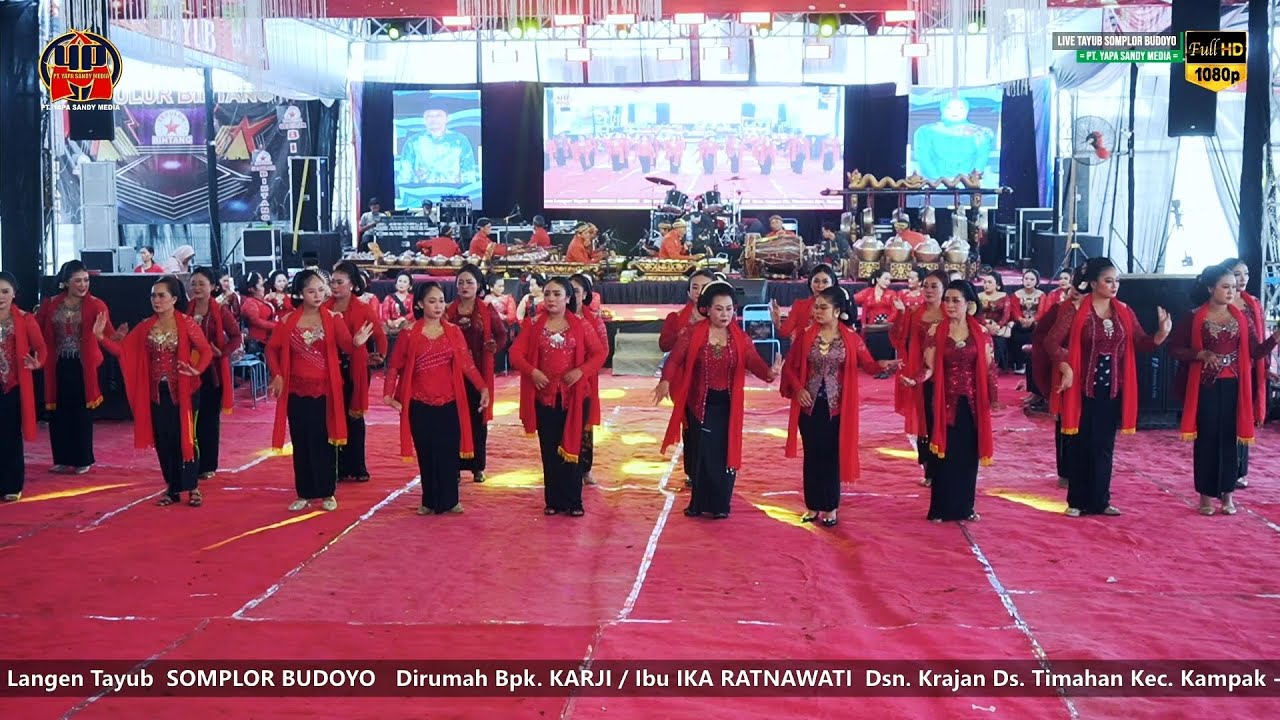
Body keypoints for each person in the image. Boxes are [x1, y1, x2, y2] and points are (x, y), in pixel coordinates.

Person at [1047, 257, 1171, 517]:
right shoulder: (1075, 309)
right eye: (1108, 280)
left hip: (1112, 388)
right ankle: (1077, 501)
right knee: (1081, 443)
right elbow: (1051, 343)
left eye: (1117, 281)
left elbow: (1140, 342)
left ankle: (1101, 500)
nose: (1114, 286)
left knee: (1104, 445)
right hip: (1081, 387)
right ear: (1093, 283)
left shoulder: (1124, 311)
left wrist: (1159, 335)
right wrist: (1065, 366)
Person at [654, 282, 780, 519]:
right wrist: (665, 381)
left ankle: (721, 505)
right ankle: (699, 504)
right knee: (703, 453)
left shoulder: (740, 338)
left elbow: (754, 363)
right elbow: (674, 360)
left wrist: (770, 373)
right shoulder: (692, 333)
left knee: (724, 454)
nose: (725, 314)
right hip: (700, 403)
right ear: (707, 310)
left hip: (728, 406)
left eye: (729, 309)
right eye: (719, 309)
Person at [783, 286, 898, 526]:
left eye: (823, 307)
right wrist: (799, 389)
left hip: (837, 408)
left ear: (837, 311)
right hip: (810, 406)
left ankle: (831, 507)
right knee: (813, 455)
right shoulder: (806, 335)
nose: (817, 311)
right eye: (816, 306)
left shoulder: (850, 338)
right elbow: (790, 368)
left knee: (831, 456)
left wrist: (884, 365)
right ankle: (813, 505)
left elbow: (868, 365)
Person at [1168, 265, 1279, 515]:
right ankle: (1206, 496)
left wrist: (1273, 339)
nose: (1232, 291)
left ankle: (1228, 496)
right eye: (1225, 286)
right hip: (1206, 386)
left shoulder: (1242, 318)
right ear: (1211, 288)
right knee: (1207, 440)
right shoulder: (1194, 317)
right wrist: (1200, 354)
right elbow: (1175, 349)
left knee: (1230, 441)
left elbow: (1254, 352)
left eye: (1233, 287)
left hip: (1234, 387)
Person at [95, 276, 212, 507]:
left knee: (187, 438)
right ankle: (173, 487)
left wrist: (195, 370)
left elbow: (206, 351)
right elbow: (123, 351)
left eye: (161, 295)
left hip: (186, 390)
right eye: (153, 295)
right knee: (164, 440)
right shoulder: (146, 326)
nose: (156, 300)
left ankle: (193, 487)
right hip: (157, 393)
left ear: (174, 299)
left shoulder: (187, 323)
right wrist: (100, 337)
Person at [266, 270, 373, 512]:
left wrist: (356, 343)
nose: (318, 295)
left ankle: (327, 492)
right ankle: (304, 492)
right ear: (300, 293)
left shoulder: (333, 318)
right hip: (295, 391)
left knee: (324, 441)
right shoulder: (287, 321)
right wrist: (278, 375)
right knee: (301, 442)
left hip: (325, 391)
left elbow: (346, 345)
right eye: (311, 291)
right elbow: (271, 350)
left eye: (320, 290)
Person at [384, 282, 489, 515]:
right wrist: (388, 395)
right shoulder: (409, 333)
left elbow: (467, 365)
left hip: (449, 402)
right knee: (426, 451)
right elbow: (394, 366)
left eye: (441, 300)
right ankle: (429, 500)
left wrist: (483, 388)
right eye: (432, 301)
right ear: (420, 304)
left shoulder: (453, 331)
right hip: (419, 403)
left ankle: (450, 500)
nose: (439, 306)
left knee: (449, 451)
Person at [509, 277, 608, 516]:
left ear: (567, 298)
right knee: (549, 448)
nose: (551, 299)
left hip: (575, 398)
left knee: (572, 446)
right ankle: (553, 501)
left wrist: (580, 371)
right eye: (548, 294)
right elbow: (515, 354)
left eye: (557, 294)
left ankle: (574, 501)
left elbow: (599, 354)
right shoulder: (533, 325)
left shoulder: (581, 325)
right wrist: (533, 372)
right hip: (545, 398)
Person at [911, 280, 995, 522]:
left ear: (968, 304)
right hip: (944, 402)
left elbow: (989, 369)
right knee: (943, 455)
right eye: (947, 300)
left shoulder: (981, 333)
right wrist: (915, 380)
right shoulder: (936, 331)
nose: (949, 304)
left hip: (972, 404)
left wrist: (993, 398)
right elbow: (927, 367)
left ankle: (965, 507)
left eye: (955, 300)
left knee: (968, 455)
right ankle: (940, 508)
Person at [36, 260, 116, 475]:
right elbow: (36, 330)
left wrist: (116, 338)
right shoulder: (51, 304)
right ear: (65, 283)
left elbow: (110, 335)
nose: (83, 285)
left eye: (86, 280)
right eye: (78, 280)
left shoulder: (97, 305)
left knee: (81, 412)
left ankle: (82, 459)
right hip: (58, 364)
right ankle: (62, 458)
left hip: (84, 366)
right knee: (58, 411)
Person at [326, 261, 388, 484]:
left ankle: (358, 466)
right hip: (330, 367)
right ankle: (339, 467)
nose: (334, 286)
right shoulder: (325, 307)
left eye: (339, 282)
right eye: (332, 281)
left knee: (354, 417)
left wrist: (379, 355)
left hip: (357, 368)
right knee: (334, 415)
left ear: (352, 285)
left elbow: (379, 335)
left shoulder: (363, 308)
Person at [446, 264, 509, 483]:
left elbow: (503, 335)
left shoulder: (487, 310)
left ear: (479, 285)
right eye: (461, 282)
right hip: (452, 374)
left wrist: (493, 346)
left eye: (469, 282)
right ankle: (453, 467)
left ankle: (477, 467)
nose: (464, 286)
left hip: (480, 373)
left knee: (477, 419)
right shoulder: (447, 311)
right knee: (453, 420)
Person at [892, 270, 948, 488]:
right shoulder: (914, 313)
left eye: (934, 286)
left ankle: (944, 467)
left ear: (944, 289)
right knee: (926, 419)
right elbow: (898, 338)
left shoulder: (950, 313)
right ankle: (929, 469)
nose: (928, 290)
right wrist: (899, 315)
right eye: (926, 286)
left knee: (943, 419)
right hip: (921, 375)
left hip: (946, 373)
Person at [187, 267, 242, 480]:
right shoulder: (186, 310)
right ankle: (192, 460)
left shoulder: (220, 312)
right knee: (190, 418)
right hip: (190, 371)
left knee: (208, 420)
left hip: (212, 374)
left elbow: (236, 336)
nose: (197, 288)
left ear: (212, 286)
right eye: (193, 284)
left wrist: (223, 352)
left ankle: (208, 464)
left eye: (201, 283)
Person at [1032, 265, 1084, 489]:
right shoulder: (1061, 310)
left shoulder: (1110, 311)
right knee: (1066, 423)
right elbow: (1045, 340)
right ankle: (1066, 470)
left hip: (1092, 375)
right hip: (1064, 372)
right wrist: (1065, 359)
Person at [1221, 258, 1269, 490]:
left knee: (1245, 416)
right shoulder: (1219, 304)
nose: (1243, 280)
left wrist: (1268, 367)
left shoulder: (1254, 304)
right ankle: (1225, 467)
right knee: (1227, 419)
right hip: (1226, 369)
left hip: (1250, 368)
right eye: (1237, 274)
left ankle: (1241, 470)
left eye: (1246, 274)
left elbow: (1260, 339)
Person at [0, 272, 47, 502]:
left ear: (14, 294)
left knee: (10, 436)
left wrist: (38, 362)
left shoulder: (25, 319)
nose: (0, 296)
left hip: (13, 386)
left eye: (5, 291)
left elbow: (41, 348)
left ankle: (12, 485)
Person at [569, 273, 609, 485]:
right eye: (570, 290)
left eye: (576, 291)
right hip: (561, 382)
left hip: (585, 381)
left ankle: (584, 468)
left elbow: (603, 352)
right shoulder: (556, 317)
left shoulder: (593, 320)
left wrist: (582, 370)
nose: (572, 295)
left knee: (584, 425)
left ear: (585, 294)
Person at [398, 96, 479, 186]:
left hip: (452, 196)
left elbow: (468, 172)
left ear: (446, 118)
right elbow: (404, 174)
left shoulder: (460, 140)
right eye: (430, 116)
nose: (434, 119)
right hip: (422, 194)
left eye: (438, 115)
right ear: (424, 119)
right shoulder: (413, 142)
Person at [911, 96, 996, 180]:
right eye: (949, 108)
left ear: (967, 110)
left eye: (960, 108)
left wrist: (970, 181)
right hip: (934, 185)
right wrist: (938, 180)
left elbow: (981, 159)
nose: (955, 112)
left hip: (970, 187)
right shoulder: (925, 132)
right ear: (942, 109)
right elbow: (923, 158)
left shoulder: (981, 133)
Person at [770, 264, 837, 341]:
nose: (820, 286)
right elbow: (784, 333)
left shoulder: (838, 306)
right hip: (803, 351)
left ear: (832, 284)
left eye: (825, 282)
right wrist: (777, 322)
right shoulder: (800, 305)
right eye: (816, 281)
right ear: (810, 284)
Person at [855, 270, 901, 368]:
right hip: (872, 326)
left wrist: (887, 321)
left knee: (885, 341)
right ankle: (877, 367)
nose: (888, 282)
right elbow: (853, 299)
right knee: (874, 343)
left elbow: (895, 311)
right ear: (877, 279)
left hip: (887, 326)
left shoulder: (892, 293)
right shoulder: (867, 292)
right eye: (886, 279)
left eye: (890, 280)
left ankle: (886, 368)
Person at [1010, 270, 1045, 377]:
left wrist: (1033, 320)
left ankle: (1031, 364)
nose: (1028, 281)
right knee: (1017, 335)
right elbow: (1015, 310)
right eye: (1026, 279)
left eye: (1032, 279)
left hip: (1035, 323)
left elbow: (1042, 310)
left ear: (1037, 282)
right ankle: (1019, 364)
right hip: (1020, 323)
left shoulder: (1041, 295)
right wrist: (1021, 319)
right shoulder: (1016, 294)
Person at [976, 271, 1013, 370]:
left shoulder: (1004, 296)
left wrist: (998, 326)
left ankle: (994, 365)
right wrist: (986, 325)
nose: (986, 285)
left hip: (998, 327)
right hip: (982, 325)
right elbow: (977, 314)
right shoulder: (978, 296)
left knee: (998, 340)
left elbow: (1006, 315)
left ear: (998, 285)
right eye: (985, 282)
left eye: (989, 282)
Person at [239, 272, 276, 356]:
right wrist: (275, 325)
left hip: (267, 338)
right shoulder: (250, 302)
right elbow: (256, 321)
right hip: (257, 341)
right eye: (261, 286)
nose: (263, 288)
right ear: (252, 289)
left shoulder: (261, 301)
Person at [381, 270, 415, 345]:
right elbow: (384, 313)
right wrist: (389, 322)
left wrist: (401, 319)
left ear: (410, 286)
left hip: (406, 324)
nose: (401, 284)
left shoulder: (412, 298)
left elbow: (413, 313)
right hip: (391, 325)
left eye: (405, 282)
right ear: (396, 283)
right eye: (400, 281)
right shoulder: (389, 298)